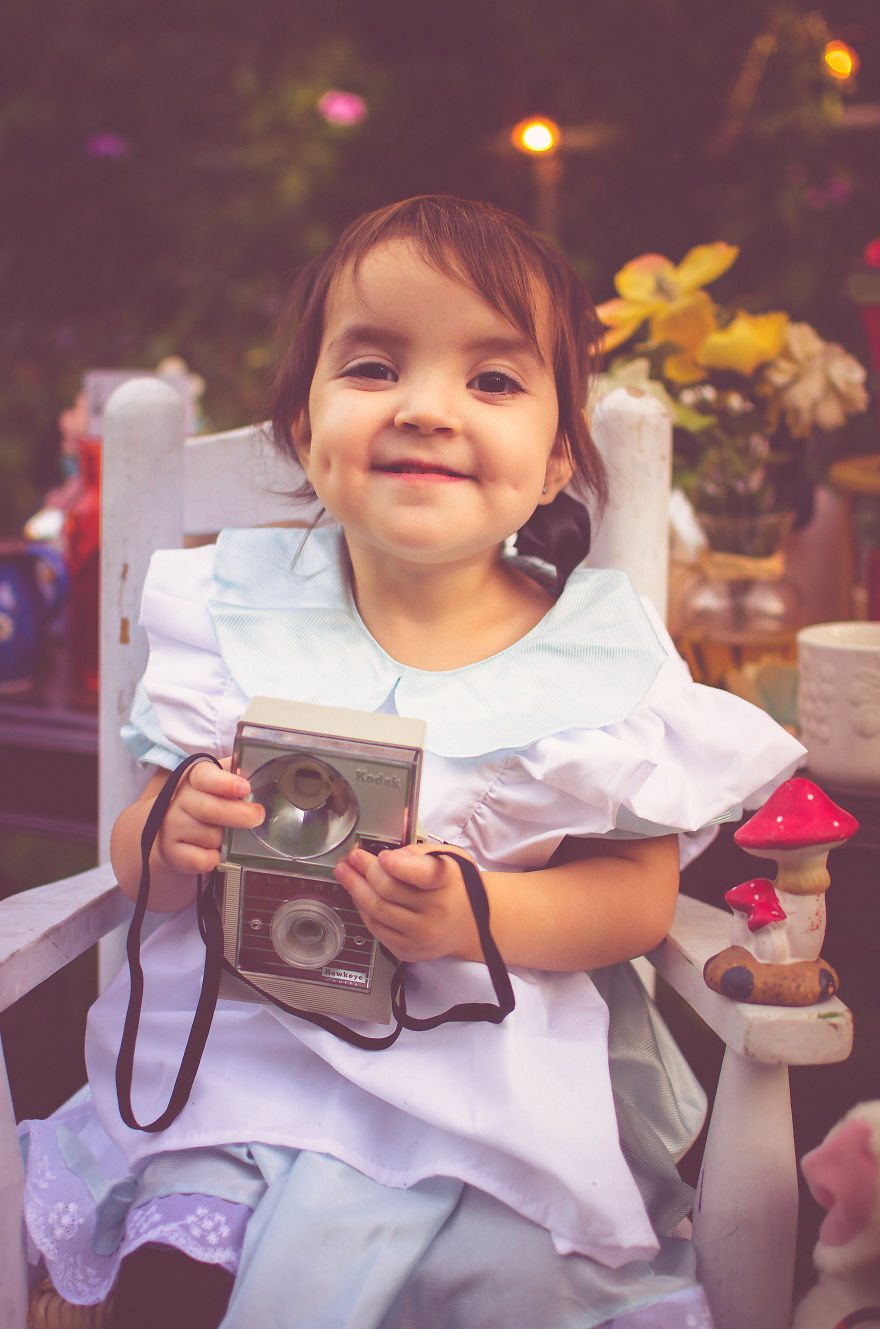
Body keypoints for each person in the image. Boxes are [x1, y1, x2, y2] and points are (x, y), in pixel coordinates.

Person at [21, 195, 805, 1329]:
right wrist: (173, 833)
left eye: (491, 381)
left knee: (508, 1285)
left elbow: (635, 900)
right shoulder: (230, 614)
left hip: (483, 1093)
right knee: (178, 1277)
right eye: (376, 366)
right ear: (302, 432)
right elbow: (139, 860)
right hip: (245, 1068)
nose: (429, 409)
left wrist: (476, 912)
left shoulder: (592, 657)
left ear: (553, 468)